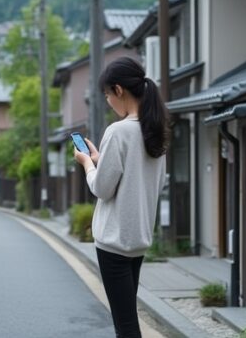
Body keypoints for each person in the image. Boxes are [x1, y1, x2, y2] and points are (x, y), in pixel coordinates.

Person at [74, 56, 169, 338]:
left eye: (106, 95)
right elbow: (147, 180)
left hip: (114, 241)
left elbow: (101, 189)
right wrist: (102, 160)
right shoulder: (154, 129)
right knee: (127, 320)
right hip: (138, 240)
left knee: (125, 325)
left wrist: (88, 164)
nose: (108, 101)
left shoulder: (118, 132)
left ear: (118, 90)